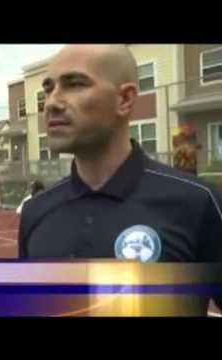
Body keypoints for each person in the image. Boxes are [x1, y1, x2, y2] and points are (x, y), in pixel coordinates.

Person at [18, 44, 221, 311]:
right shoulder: (36, 211)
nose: (52, 102)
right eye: (49, 89)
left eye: (75, 84)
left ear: (124, 99)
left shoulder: (197, 203)